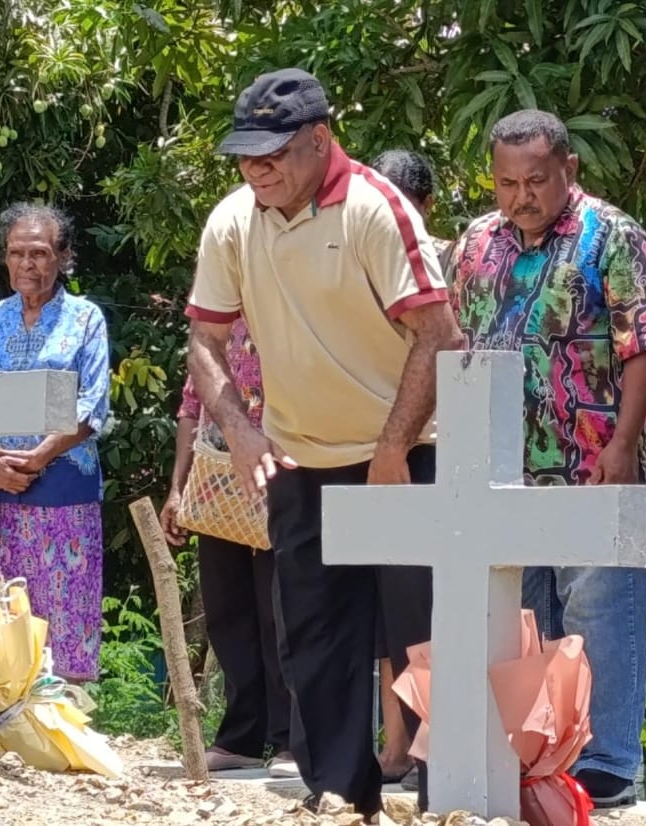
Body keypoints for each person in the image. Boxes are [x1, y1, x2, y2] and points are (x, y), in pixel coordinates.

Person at [185, 68, 462, 817]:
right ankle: (340, 794)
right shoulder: (232, 221)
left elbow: (438, 334)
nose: (257, 169)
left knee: (424, 635)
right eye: (246, 156)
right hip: (300, 455)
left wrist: (393, 447)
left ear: (319, 139)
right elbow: (205, 342)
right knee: (313, 638)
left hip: (404, 453)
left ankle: (448, 796)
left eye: (273, 153)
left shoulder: (376, 208)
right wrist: (241, 433)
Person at [449, 110, 646, 809]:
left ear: (568, 170)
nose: (522, 196)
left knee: (598, 612)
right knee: (523, 620)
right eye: (507, 183)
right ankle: (537, 760)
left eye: (537, 180)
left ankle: (605, 762)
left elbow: (644, 343)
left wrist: (623, 445)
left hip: (592, 460)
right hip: (500, 469)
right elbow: (453, 342)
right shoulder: (475, 243)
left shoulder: (613, 236)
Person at [160, 318, 296, 777]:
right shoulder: (214, 325)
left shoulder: (291, 305)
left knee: (281, 609)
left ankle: (292, 739)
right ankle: (241, 737)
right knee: (227, 609)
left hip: (282, 472)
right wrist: (177, 488)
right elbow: (191, 405)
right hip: (216, 478)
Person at [0, 203, 110, 684]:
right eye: (16, 253)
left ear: (64, 256)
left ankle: (63, 717)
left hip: (62, 490)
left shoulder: (85, 319)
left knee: (61, 618)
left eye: (38, 253)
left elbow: (92, 405)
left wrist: (39, 456)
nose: (27, 264)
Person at [367, 148, 449, 786]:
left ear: (424, 207)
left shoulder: (447, 259)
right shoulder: (355, 256)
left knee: (422, 608)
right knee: (383, 611)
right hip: (363, 445)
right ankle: (396, 744)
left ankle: (430, 744)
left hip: (429, 446)